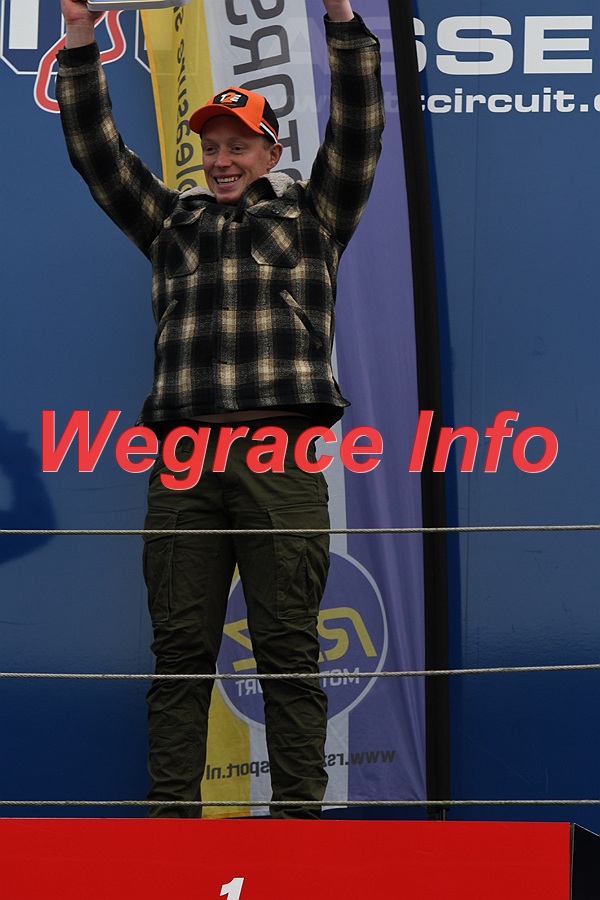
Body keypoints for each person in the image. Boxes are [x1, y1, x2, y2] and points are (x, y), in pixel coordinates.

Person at [57, 0, 384, 818]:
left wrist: (340, 15)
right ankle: (171, 825)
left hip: (282, 458)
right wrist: (79, 35)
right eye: (210, 147)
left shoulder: (317, 216)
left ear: (271, 150)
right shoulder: (170, 222)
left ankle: (299, 827)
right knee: (179, 654)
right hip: (184, 463)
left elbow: (359, 126)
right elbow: (98, 154)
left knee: (288, 650)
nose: (221, 159)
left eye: (238, 145)